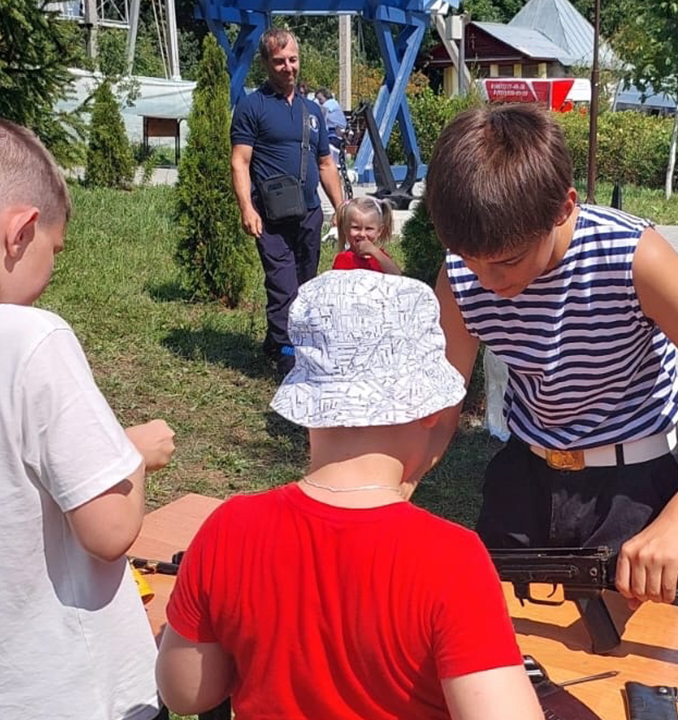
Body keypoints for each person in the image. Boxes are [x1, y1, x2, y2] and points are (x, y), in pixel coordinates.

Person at [425, 104, 678, 607]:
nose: (488, 281)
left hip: (631, 487)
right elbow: (439, 407)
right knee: (505, 648)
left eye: (507, 261)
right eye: (469, 259)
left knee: (623, 667)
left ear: (563, 207)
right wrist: (389, 489)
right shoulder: (461, 274)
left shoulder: (635, 258)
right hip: (523, 478)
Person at [155, 271, 543, 720]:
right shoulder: (453, 559)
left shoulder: (229, 527)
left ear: (307, 405)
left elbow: (185, 694)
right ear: (431, 410)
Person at [0, 120, 176, 719]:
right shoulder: (32, 339)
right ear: (19, 232)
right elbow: (108, 533)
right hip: (64, 691)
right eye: (56, 251)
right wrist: (131, 455)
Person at [231, 28, 344, 375]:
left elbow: (326, 163)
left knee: (305, 283)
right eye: (279, 61)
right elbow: (240, 161)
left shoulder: (313, 110)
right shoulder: (253, 106)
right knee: (283, 286)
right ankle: (286, 353)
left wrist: (341, 208)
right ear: (266, 63)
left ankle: (275, 338)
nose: (288, 67)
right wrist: (247, 208)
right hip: (270, 216)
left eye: (292, 60)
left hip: (309, 214)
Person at [331, 196, 401, 275]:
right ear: (345, 228)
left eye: (369, 229)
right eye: (356, 228)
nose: (362, 234)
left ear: (379, 231)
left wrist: (375, 252)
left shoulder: (381, 258)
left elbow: (397, 276)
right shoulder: (343, 259)